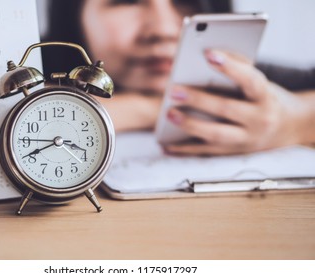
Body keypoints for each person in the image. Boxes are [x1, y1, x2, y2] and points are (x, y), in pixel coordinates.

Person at [42, 0, 315, 156]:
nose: (162, 29)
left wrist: (295, 121)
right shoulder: (27, 60)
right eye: (126, 1)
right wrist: (148, 108)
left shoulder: (251, 76)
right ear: (73, 16)